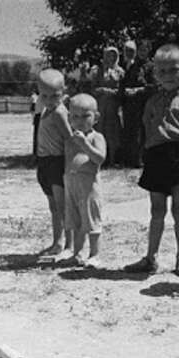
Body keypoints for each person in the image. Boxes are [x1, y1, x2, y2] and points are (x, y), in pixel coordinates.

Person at [123, 44, 179, 277]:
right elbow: (147, 126)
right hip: (156, 156)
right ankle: (151, 258)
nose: (168, 75)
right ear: (155, 73)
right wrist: (147, 152)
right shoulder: (152, 101)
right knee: (157, 209)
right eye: (162, 71)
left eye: (173, 70)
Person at [63, 93, 107, 268]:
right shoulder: (70, 138)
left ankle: (95, 254)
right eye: (75, 116)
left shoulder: (96, 137)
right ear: (69, 118)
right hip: (72, 185)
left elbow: (99, 158)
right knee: (76, 221)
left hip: (89, 187)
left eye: (85, 116)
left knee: (91, 220)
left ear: (96, 117)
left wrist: (85, 144)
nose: (80, 121)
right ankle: (78, 253)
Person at [35, 69, 73, 258]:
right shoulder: (45, 110)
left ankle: (69, 245)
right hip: (45, 162)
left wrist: (69, 164)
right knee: (53, 206)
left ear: (63, 92)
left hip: (57, 162)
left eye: (55, 96)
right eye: (45, 96)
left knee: (62, 206)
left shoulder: (59, 112)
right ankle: (57, 241)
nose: (49, 100)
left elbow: (69, 138)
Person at [119, 40, 152, 167]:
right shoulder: (132, 66)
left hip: (144, 103)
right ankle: (129, 159)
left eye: (144, 50)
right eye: (140, 50)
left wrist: (138, 90)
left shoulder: (151, 66)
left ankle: (140, 159)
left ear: (148, 50)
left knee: (142, 131)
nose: (141, 53)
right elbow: (125, 82)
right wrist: (124, 91)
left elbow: (155, 86)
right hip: (130, 104)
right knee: (130, 130)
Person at [90, 47, 125, 166]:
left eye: (114, 56)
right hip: (100, 105)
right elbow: (92, 88)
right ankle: (100, 158)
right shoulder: (98, 71)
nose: (111, 58)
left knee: (113, 132)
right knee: (100, 131)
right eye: (109, 55)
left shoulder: (120, 71)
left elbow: (122, 90)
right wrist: (100, 90)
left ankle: (113, 159)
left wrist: (109, 91)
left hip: (113, 106)